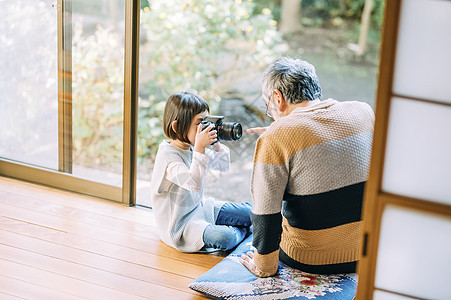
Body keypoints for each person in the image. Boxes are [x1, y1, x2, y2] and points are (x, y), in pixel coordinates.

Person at [240, 57, 375, 277]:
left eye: (268, 107)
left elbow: (266, 212)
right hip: (368, 250)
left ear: (277, 97)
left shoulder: (276, 137)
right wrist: (284, 133)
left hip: (310, 259)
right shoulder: (363, 111)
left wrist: (264, 268)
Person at [150, 91, 252, 253]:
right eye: (200, 123)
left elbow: (223, 165)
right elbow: (193, 184)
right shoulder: (168, 158)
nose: (206, 128)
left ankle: (245, 226)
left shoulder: (191, 147)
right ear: (177, 127)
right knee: (226, 238)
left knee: (250, 212)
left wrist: (215, 143)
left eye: (207, 122)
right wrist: (199, 147)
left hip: (201, 208)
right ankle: (244, 230)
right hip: (182, 225)